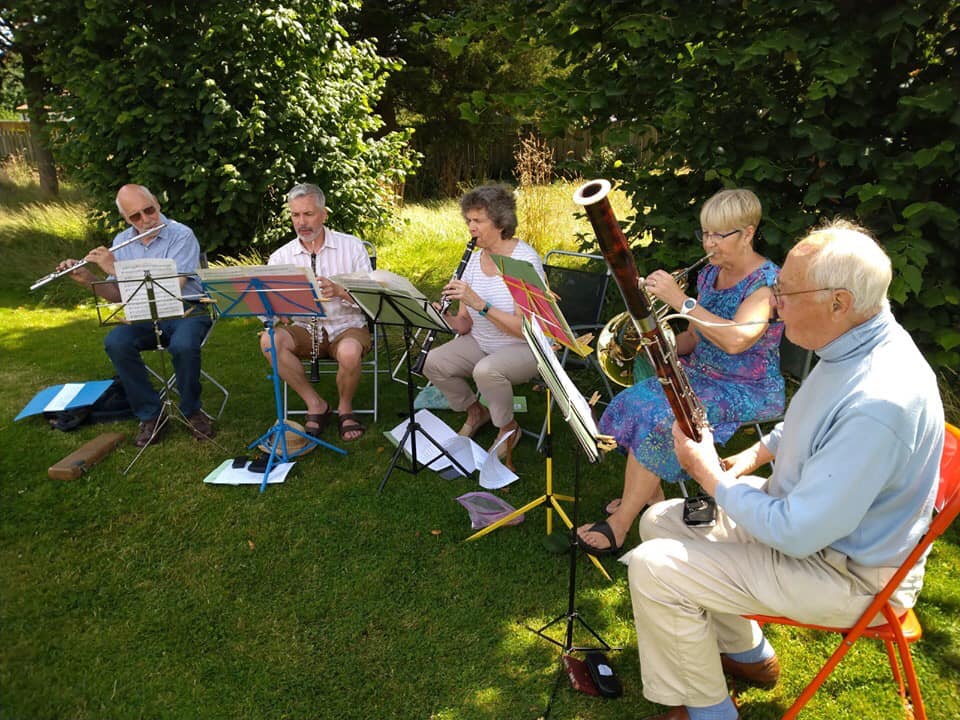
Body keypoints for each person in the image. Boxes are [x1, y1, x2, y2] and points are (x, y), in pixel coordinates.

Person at [628, 219, 945, 720]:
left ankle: (710, 713)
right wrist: (755, 455)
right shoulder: (854, 341)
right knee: (662, 520)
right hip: (813, 529)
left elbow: (796, 533)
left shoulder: (880, 401)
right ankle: (748, 653)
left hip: (849, 576)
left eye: (786, 293)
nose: (775, 304)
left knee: (655, 567)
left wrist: (709, 475)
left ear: (839, 302)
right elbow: (810, 421)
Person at [578, 188, 784, 555]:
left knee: (663, 418)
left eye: (719, 235)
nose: (709, 243)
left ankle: (620, 524)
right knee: (634, 397)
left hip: (746, 386)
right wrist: (658, 345)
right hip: (700, 371)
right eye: (705, 233)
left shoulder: (765, 284)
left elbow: (736, 340)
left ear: (748, 233)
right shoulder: (710, 273)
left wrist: (679, 300)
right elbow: (693, 336)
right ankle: (647, 493)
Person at [59, 184, 214, 447]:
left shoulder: (182, 235)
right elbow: (117, 295)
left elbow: (174, 286)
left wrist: (115, 268)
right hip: (144, 312)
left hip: (186, 308)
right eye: (135, 216)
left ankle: (192, 411)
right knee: (116, 342)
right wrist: (89, 279)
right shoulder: (122, 241)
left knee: (184, 345)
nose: (145, 219)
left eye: (149, 210)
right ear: (126, 218)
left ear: (157, 204)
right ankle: (151, 414)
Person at [422, 184, 545, 458]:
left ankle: (508, 428)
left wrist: (480, 304)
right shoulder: (472, 261)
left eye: (478, 220)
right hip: (482, 341)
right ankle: (476, 412)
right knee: (432, 362)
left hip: (524, 348)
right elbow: (464, 324)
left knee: (486, 370)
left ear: (500, 222)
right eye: (468, 220)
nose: (471, 227)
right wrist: (444, 317)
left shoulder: (524, 262)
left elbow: (524, 330)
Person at [261, 183, 371, 442]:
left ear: (324, 214)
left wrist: (340, 291)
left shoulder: (352, 247)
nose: (302, 222)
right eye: (295, 215)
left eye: (308, 214)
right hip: (304, 328)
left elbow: (371, 300)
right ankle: (316, 404)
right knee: (269, 340)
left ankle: (345, 408)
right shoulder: (280, 257)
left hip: (347, 325)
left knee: (349, 352)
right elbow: (268, 313)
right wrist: (277, 310)